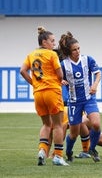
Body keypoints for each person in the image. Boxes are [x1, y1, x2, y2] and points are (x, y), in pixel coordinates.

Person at [20, 26, 69, 166]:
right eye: (52, 41)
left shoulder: (31, 54)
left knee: (46, 124)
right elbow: (60, 75)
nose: (54, 44)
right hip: (52, 91)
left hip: (38, 93)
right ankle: (58, 156)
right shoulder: (52, 54)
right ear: (44, 42)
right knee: (58, 125)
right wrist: (60, 79)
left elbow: (22, 71)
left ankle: (42, 150)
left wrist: (34, 84)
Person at [59, 31, 102, 163]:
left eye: (78, 48)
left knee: (96, 124)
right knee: (74, 133)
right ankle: (68, 152)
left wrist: (94, 84)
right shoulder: (63, 65)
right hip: (74, 102)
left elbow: (98, 73)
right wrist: (60, 81)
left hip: (89, 99)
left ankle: (92, 149)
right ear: (68, 51)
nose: (77, 51)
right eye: (74, 50)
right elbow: (57, 79)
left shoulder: (87, 59)